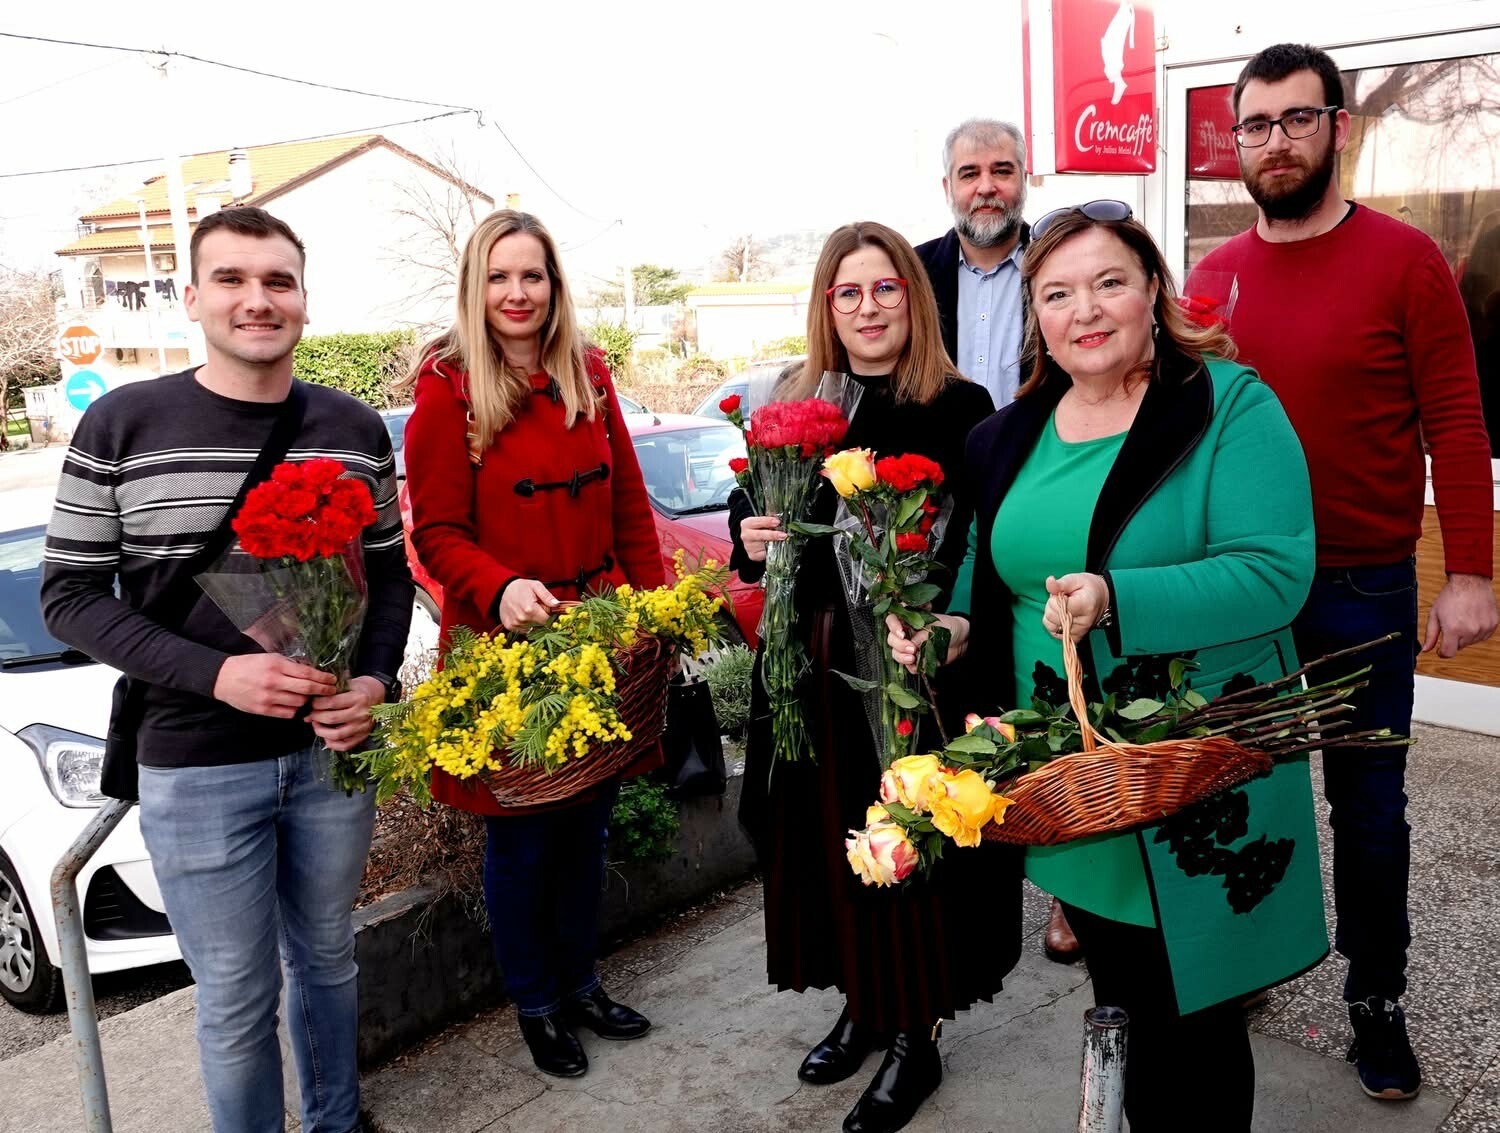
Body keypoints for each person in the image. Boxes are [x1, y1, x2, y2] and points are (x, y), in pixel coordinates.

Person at [891, 201, 1323, 1131]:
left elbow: (1276, 570)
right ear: (1035, 316)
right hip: (1074, 779)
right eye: (1057, 292)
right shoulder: (1007, 434)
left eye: (1108, 282)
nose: (1084, 309)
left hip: (1187, 769)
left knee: (1195, 1021)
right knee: (1124, 985)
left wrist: (1118, 597)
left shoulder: (1226, 404)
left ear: (1153, 292)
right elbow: (979, 571)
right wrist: (950, 630)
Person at [41, 205, 414, 1133]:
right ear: (193, 296)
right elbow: (71, 598)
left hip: (332, 754)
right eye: (236, 281)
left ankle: (338, 1119)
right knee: (237, 996)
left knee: (328, 959)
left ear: (303, 300)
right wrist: (219, 675)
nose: (259, 300)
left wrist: (372, 685)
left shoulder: (354, 427)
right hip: (198, 761)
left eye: (279, 281)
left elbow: (388, 576)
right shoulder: (122, 423)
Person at [1187, 42, 1497, 1101]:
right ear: (1237, 143)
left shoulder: (1407, 261)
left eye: (1298, 118)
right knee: (1241, 798)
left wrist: (1469, 571)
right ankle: (1244, 966)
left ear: (1341, 128)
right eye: (1257, 125)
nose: (1277, 142)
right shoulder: (1213, 278)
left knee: (1368, 811)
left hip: (1361, 584)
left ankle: (1378, 1000)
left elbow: (1457, 420)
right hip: (1238, 594)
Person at [730, 221, 1014, 1133]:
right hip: (814, 665)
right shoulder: (804, 399)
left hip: (905, 670)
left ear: (913, 298)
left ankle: (916, 1035)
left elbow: (978, 543)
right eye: (847, 293)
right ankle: (864, 997)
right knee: (830, 847)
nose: (867, 308)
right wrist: (750, 532)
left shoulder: (962, 408)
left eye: (885, 288)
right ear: (827, 306)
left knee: (907, 847)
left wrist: (945, 631)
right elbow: (756, 505)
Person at [401, 209, 664, 1080]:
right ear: (476, 287)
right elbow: (434, 531)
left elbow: (628, 501)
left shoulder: (587, 373)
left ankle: (583, 982)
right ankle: (539, 1004)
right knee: (522, 840)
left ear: (555, 286)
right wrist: (499, 584)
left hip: (595, 637)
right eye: (500, 277)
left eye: (533, 276)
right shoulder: (447, 389)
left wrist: (655, 613)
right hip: (504, 652)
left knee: (588, 825)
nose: (518, 293)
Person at [915, 118, 1031, 411]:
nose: (986, 187)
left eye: (1002, 171)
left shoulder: (1060, 268)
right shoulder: (914, 272)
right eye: (969, 174)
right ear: (948, 187)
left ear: (1024, 180)